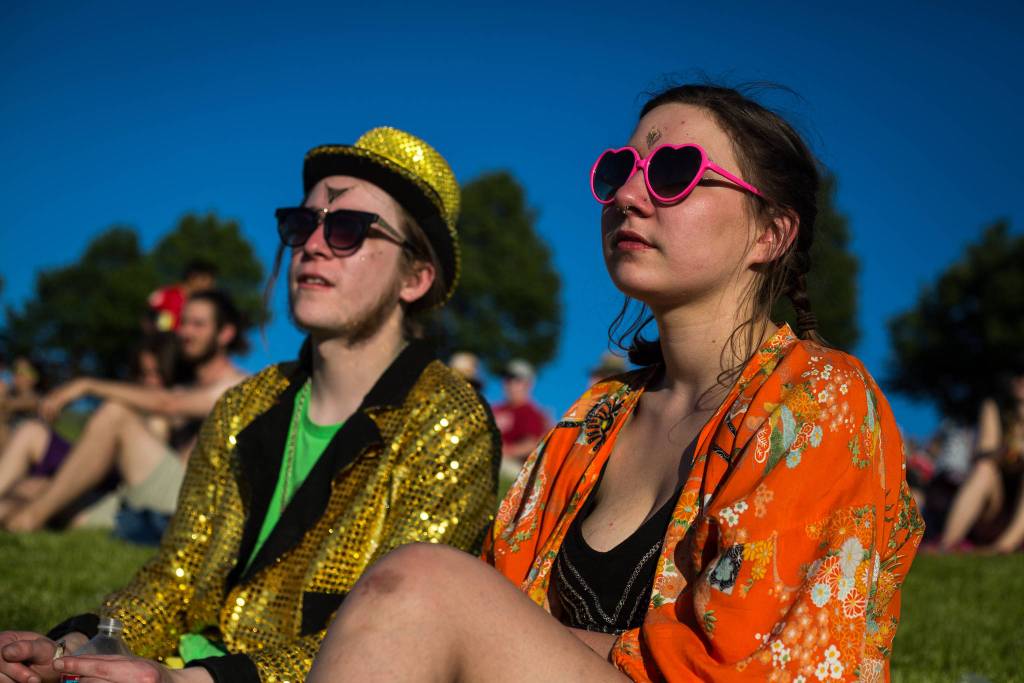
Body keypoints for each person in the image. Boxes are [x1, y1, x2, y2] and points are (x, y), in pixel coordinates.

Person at [304, 84, 924, 682]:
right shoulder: (595, 418)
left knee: (422, 586)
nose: (628, 194)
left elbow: (753, 664)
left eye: (675, 171)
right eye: (619, 170)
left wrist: (474, 633)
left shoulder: (820, 399)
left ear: (771, 233)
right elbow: (501, 598)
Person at [2, 126, 500, 683]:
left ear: (416, 276)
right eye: (301, 223)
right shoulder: (245, 405)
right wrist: (76, 646)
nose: (311, 243)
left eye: (347, 229)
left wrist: (198, 681)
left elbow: (397, 637)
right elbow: (175, 579)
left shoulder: (448, 418)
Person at [2, 290, 248, 534]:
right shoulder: (188, 387)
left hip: (189, 497)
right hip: (147, 489)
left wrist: (87, 385)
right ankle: (23, 514)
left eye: (198, 324)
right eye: (184, 322)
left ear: (225, 333)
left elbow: (168, 403)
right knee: (31, 489)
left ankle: (28, 521)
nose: (185, 332)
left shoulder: (238, 386)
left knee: (115, 414)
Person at [0, 334, 179, 526]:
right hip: (97, 475)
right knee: (31, 441)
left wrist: (86, 386)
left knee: (35, 486)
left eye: (157, 374)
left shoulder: (172, 407)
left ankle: (27, 519)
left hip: (117, 485)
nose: (150, 381)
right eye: (144, 374)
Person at [939, 363, 1024, 553]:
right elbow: (986, 451)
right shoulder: (995, 407)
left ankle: (1004, 547)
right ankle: (946, 544)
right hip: (995, 506)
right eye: (1017, 375)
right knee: (984, 468)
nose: (1021, 380)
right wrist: (1010, 452)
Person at [493, 358, 549, 479]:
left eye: (515, 379)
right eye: (507, 378)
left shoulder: (531, 413)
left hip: (514, 466)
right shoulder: (496, 409)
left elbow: (531, 444)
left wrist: (505, 450)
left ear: (528, 384)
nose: (509, 383)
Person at [147, 259, 218, 332]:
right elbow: (147, 321)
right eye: (205, 280)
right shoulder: (165, 296)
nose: (210, 286)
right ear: (193, 277)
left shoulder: (205, 303)